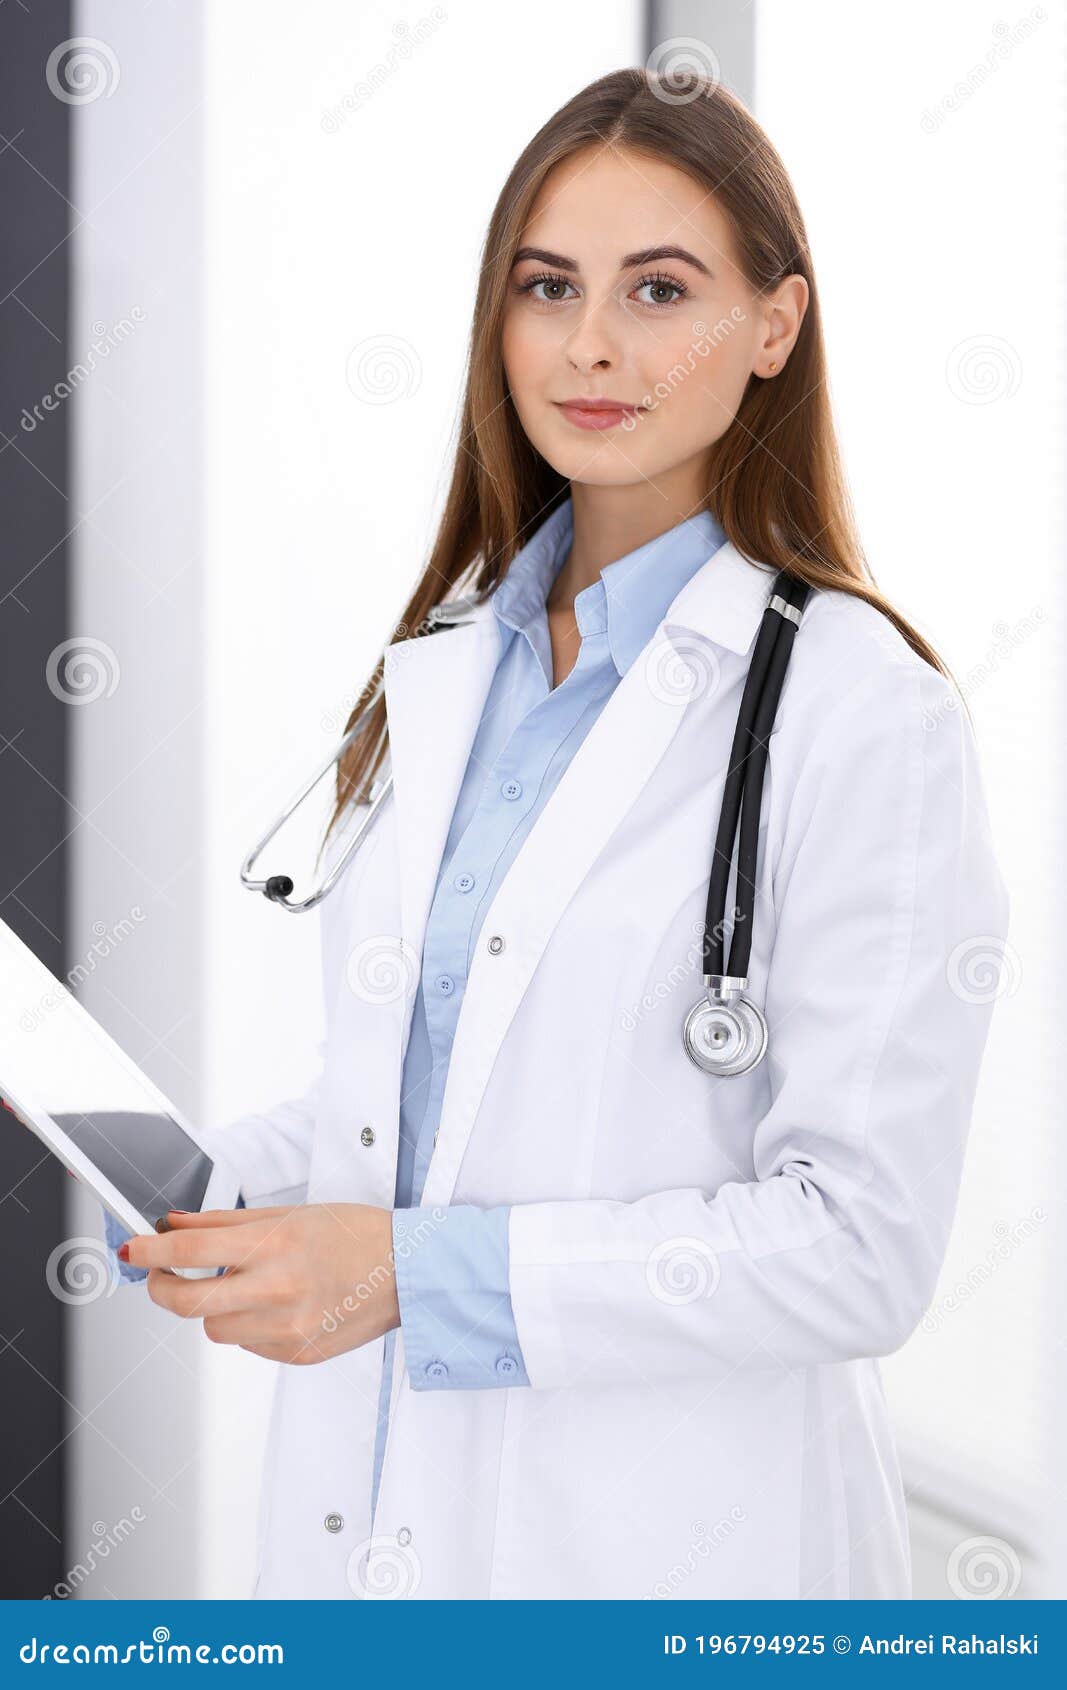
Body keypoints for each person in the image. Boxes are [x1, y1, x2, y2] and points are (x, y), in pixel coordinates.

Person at [106, 66, 1010, 1600]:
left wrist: (403, 1277)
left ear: (775, 327)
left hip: (677, 1564)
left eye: (662, 290)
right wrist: (213, 1192)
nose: (590, 344)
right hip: (382, 1529)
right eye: (547, 287)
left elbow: (858, 1244)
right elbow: (410, 1092)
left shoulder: (868, 714)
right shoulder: (461, 665)